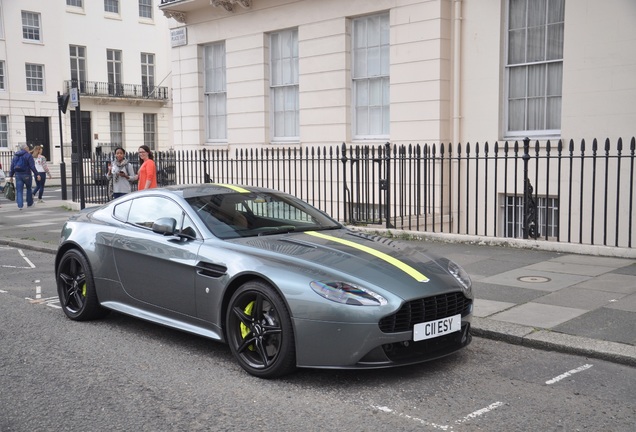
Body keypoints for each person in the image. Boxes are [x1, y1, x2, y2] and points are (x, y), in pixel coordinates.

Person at [7, 143, 41, 210]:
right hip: (27, 174)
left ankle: (20, 205)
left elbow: (12, 166)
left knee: (19, 190)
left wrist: (11, 176)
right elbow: (32, 166)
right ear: (25, 148)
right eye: (27, 147)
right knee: (29, 189)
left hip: (18, 175)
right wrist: (37, 174)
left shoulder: (15, 155)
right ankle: (29, 203)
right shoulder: (28, 155)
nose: (28, 148)